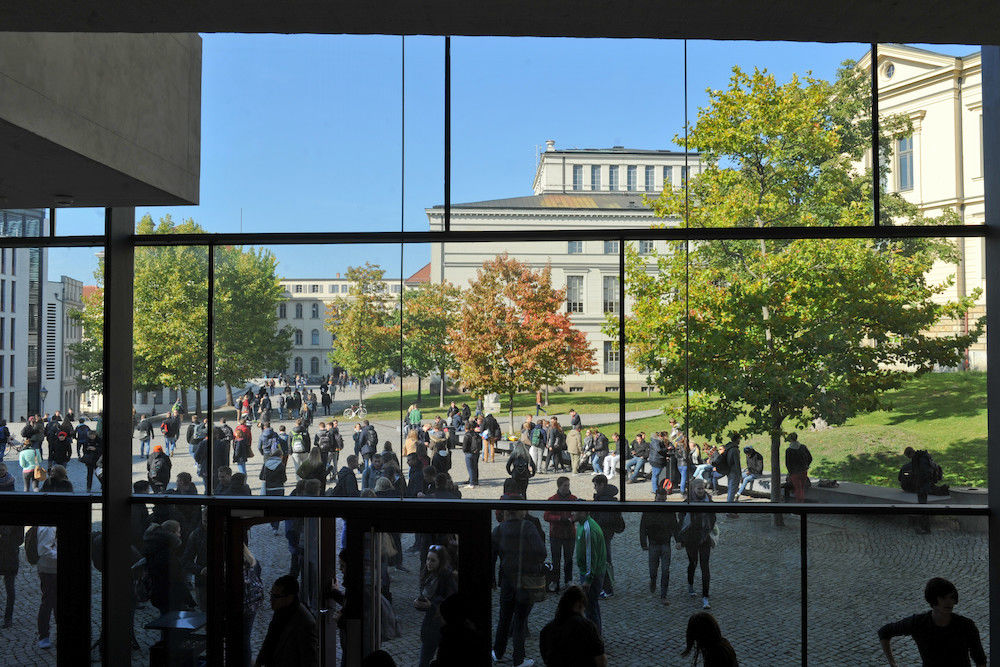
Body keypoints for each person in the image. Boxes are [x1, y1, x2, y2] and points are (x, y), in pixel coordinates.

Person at [877, 577, 986, 667]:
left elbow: (980, 660)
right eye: (943, 598)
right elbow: (884, 632)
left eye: (952, 597)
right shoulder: (918, 623)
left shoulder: (966, 626)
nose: (949, 602)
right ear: (933, 599)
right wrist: (893, 663)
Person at [491, 508, 546, 667]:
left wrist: (493, 579)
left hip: (507, 580)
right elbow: (541, 552)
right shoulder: (528, 527)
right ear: (521, 512)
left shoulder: (498, 530)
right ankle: (519, 659)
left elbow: (491, 557)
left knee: (504, 618)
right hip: (525, 581)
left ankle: (498, 652)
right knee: (520, 620)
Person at [255, 574, 319, 667]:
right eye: (271, 594)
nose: (271, 599)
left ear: (289, 597)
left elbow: (309, 660)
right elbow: (270, 639)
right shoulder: (281, 609)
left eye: (275, 596)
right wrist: (259, 661)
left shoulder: (305, 623)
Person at [538, 586, 607, 667]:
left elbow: (546, 658)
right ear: (580, 605)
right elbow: (601, 660)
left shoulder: (546, 630)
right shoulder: (587, 627)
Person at [417, 544, 459, 667]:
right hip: (430, 626)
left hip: (443, 626)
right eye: (428, 559)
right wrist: (419, 603)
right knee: (423, 662)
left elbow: (451, 601)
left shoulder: (447, 577)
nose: (429, 563)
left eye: (433, 560)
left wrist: (432, 604)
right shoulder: (428, 574)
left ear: (440, 561)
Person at [679, 478, 717, 610]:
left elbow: (713, 517)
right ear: (693, 489)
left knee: (705, 567)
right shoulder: (687, 502)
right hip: (691, 538)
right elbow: (681, 520)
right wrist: (681, 538)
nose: (701, 491)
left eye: (703, 488)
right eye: (699, 489)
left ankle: (705, 596)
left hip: (704, 537)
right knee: (693, 563)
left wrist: (710, 531)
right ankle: (690, 585)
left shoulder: (709, 501)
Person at [640, 487, 679, 603]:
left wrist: (678, 540)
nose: (661, 502)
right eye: (659, 499)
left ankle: (663, 595)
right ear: (656, 497)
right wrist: (643, 543)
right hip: (654, 543)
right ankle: (653, 580)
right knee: (653, 569)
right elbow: (643, 528)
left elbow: (674, 526)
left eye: (663, 500)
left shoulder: (669, 510)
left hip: (664, 543)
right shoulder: (649, 510)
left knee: (665, 570)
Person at [573, 510, 607, 636]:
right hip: (593, 572)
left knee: (590, 609)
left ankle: (594, 638)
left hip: (592, 575)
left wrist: (588, 578)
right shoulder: (584, 524)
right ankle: (596, 635)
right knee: (592, 606)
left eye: (575, 511)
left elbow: (590, 556)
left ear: (583, 513)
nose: (572, 513)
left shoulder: (588, 529)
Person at [542, 477, 577, 593]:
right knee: (556, 559)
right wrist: (560, 519)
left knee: (569, 559)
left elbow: (577, 514)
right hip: (556, 534)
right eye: (565, 486)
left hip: (569, 534)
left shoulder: (574, 499)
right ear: (559, 486)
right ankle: (555, 581)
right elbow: (546, 516)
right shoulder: (552, 499)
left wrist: (572, 519)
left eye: (568, 485)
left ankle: (568, 580)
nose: (567, 488)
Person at [590, 474, 622, 598]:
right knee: (604, 561)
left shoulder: (603, 500)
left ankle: (607, 588)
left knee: (604, 561)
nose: (595, 488)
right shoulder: (608, 498)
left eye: (596, 485)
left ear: (602, 485)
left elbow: (602, 518)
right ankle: (605, 586)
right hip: (605, 533)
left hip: (602, 533)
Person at [902, 446, 938, 534]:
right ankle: (924, 527)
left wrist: (918, 480)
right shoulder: (920, 457)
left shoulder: (920, 459)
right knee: (922, 507)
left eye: (908, 457)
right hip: (923, 486)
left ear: (909, 454)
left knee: (923, 507)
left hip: (923, 487)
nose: (909, 459)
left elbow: (924, 473)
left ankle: (925, 529)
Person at [0, 487, 20, 628]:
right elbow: (20, 540)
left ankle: (8, 617)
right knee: (10, 589)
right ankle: (8, 618)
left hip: (9, 556)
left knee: (10, 589)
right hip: (11, 555)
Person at [35, 525, 57, 649]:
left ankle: (44, 635)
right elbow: (44, 550)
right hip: (50, 571)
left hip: (48, 569)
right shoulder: (48, 528)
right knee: (48, 603)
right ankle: (43, 636)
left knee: (50, 602)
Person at [785, 433, 812, 503]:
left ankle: (799, 506)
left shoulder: (789, 450)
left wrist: (790, 473)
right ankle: (801, 504)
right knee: (802, 489)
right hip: (803, 470)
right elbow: (810, 458)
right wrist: (806, 465)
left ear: (790, 440)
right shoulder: (803, 447)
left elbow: (788, 463)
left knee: (798, 489)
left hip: (794, 473)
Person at [461, 422, 482, 488]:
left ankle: (472, 483)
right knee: (475, 467)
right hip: (476, 452)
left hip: (469, 453)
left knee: (470, 468)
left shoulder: (467, 435)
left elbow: (464, 446)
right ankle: (475, 481)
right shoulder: (477, 434)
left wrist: (465, 451)